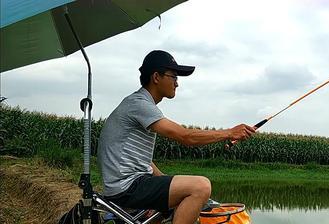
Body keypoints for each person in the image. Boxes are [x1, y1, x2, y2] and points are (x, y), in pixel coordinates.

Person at [97, 50, 256, 224]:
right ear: (156, 77)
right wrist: (229, 133)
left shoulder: (140, 105)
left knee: (182, 189)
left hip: (129, 185)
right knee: (201, 187)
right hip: (127, 188)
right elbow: (186, 136)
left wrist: (164, 179)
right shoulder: (139, 104)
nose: (177, 83)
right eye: (173, 76)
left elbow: (141, 160)